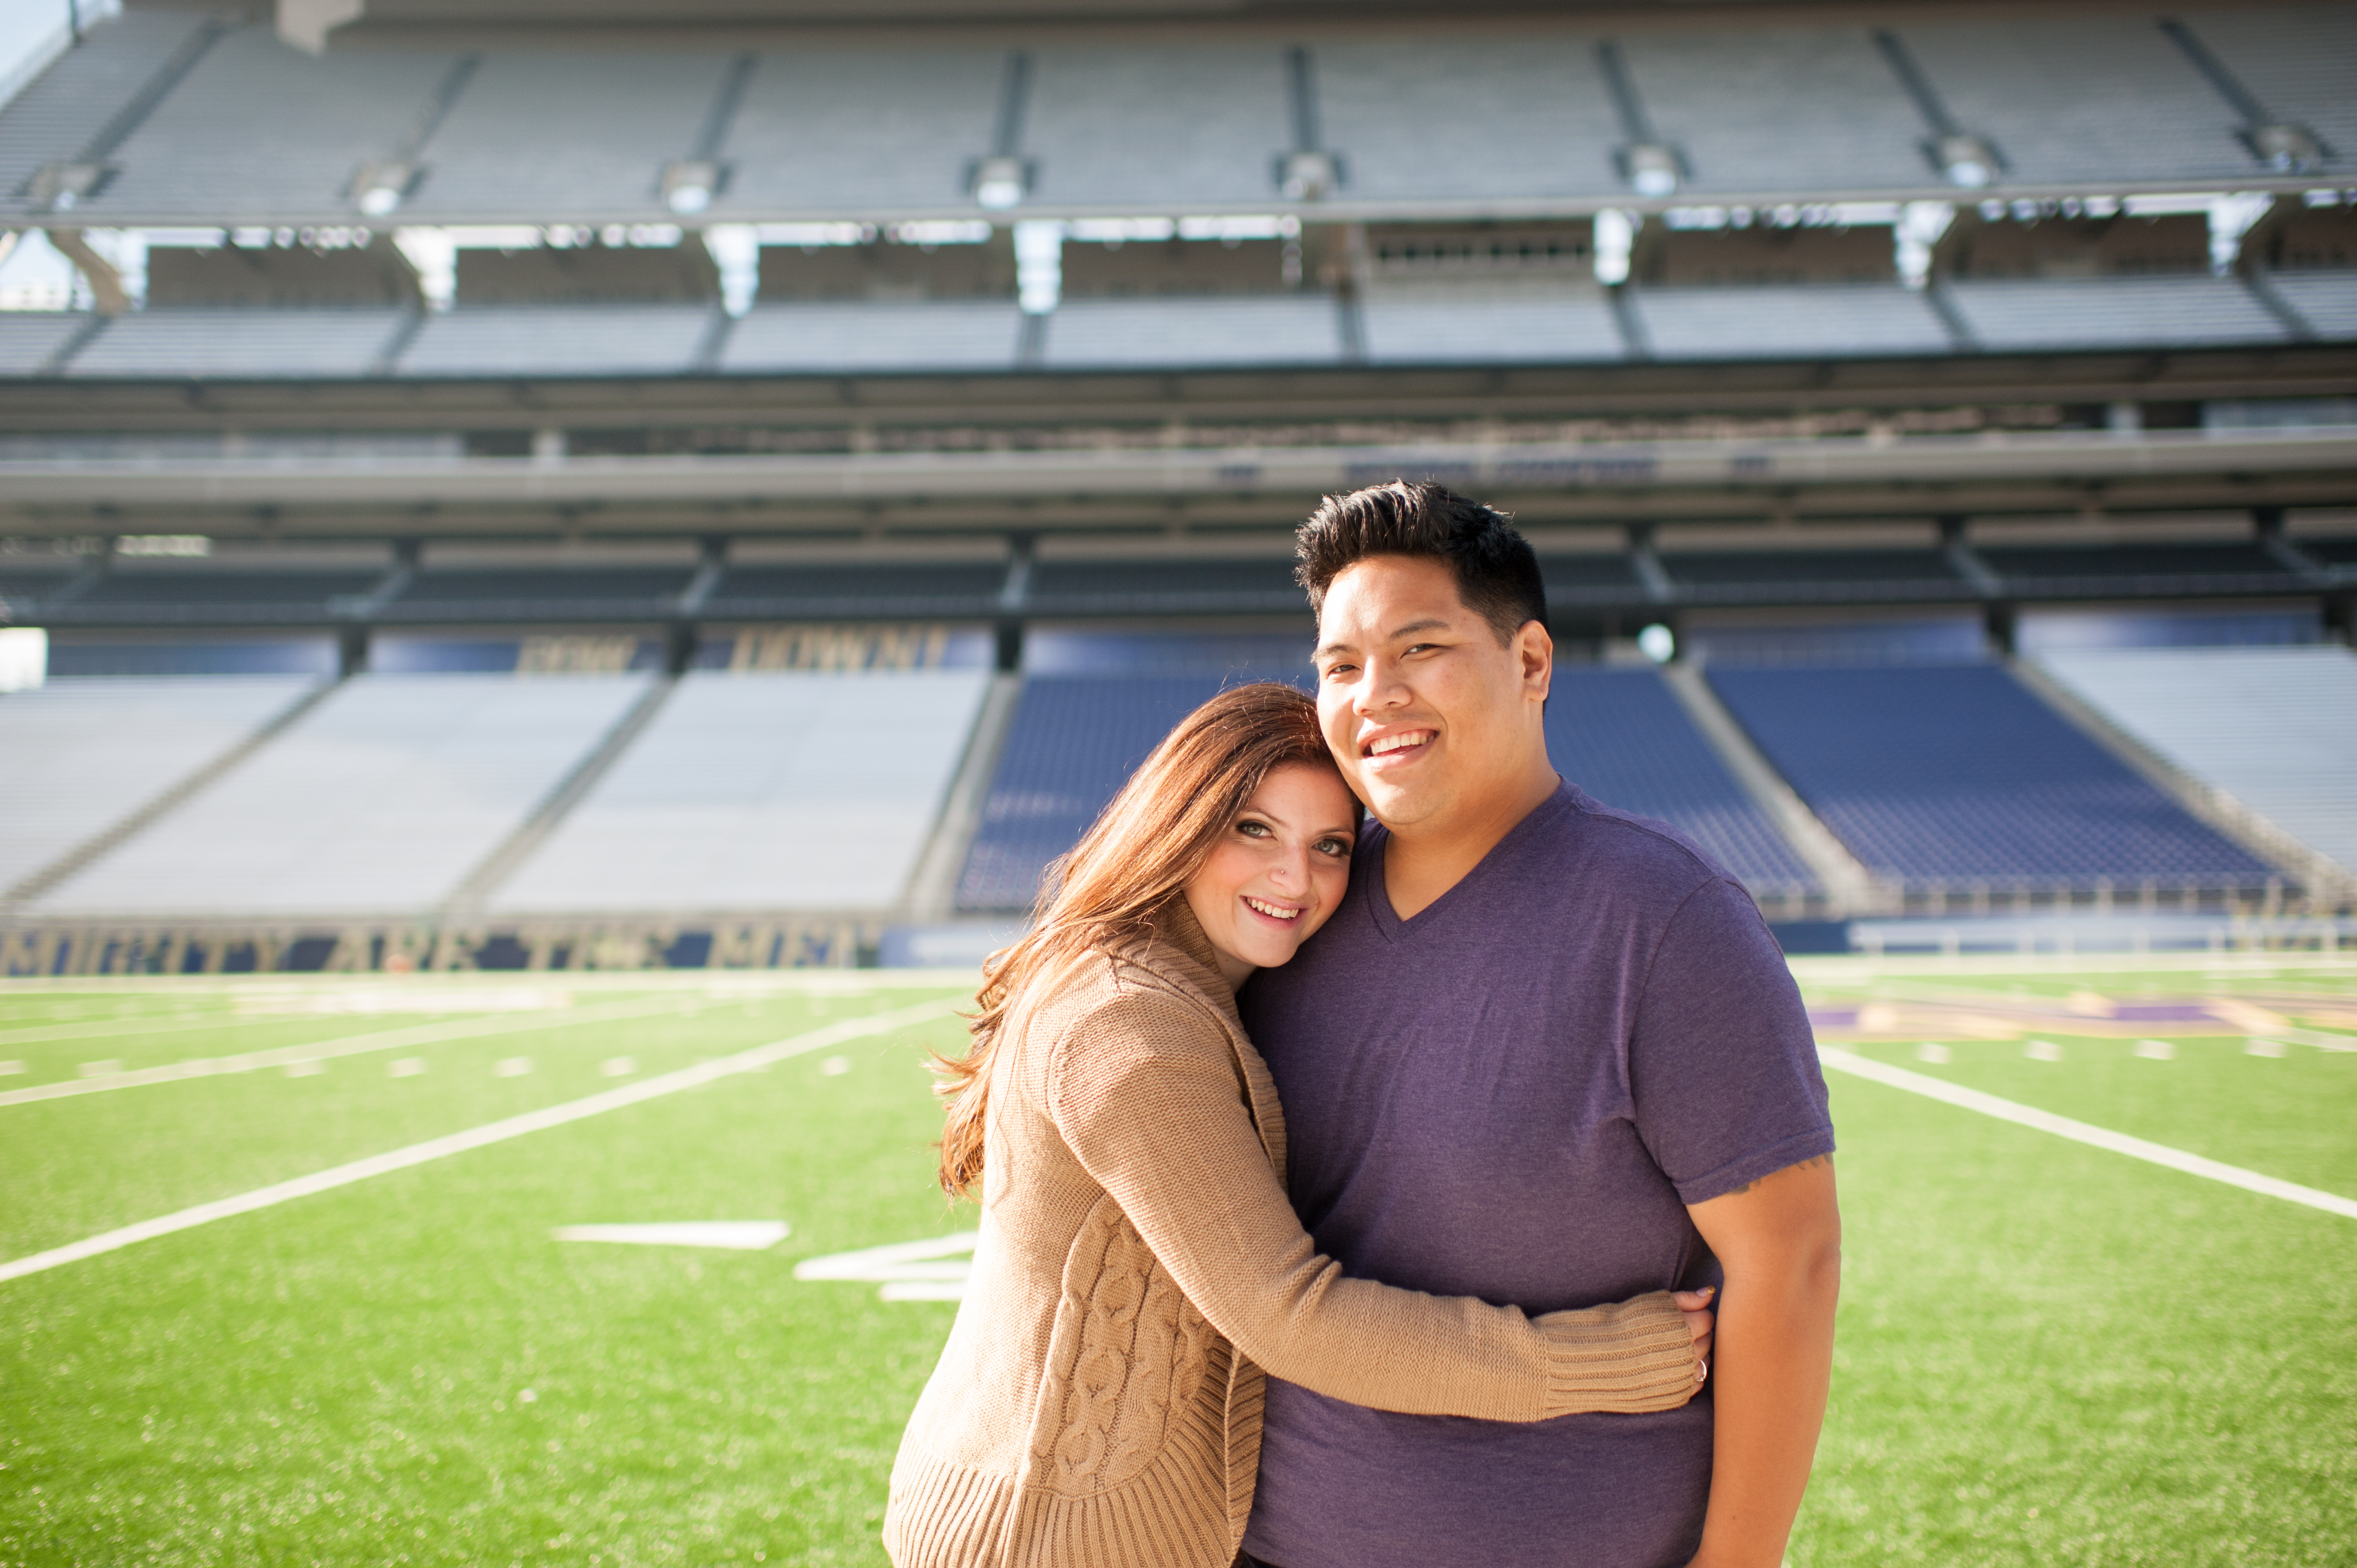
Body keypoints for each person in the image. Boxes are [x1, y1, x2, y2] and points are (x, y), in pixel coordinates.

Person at [886, 682, 1718, 1568]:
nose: (1296, 879)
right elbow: (1288, 1317)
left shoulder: (1179, 981)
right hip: (1048, 1530)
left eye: (1328, 847)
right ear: (1179, 821)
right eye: (1254, 830)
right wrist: (1588, 1363)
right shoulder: (1130, 1028)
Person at [1239, 481, 1841, 1568]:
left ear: (1530, 663)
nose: (1373, 695)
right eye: (1338, 665)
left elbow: (1787, 1266)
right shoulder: (1294, 904)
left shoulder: (1667, 922)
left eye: (1418, 648)